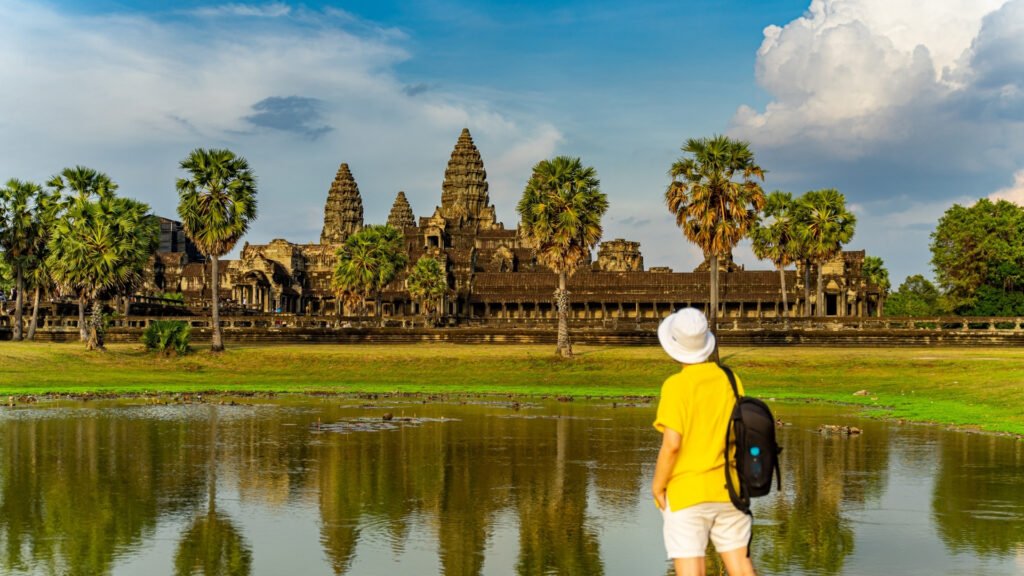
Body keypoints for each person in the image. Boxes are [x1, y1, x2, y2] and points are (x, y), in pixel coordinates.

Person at [651, 308, 757, 576]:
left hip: (687, 491)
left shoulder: (676, 386)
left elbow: (672, 444)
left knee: (692, 571)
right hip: (729, 488)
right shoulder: (731, 380)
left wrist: (658, 486)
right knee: (742, 568)